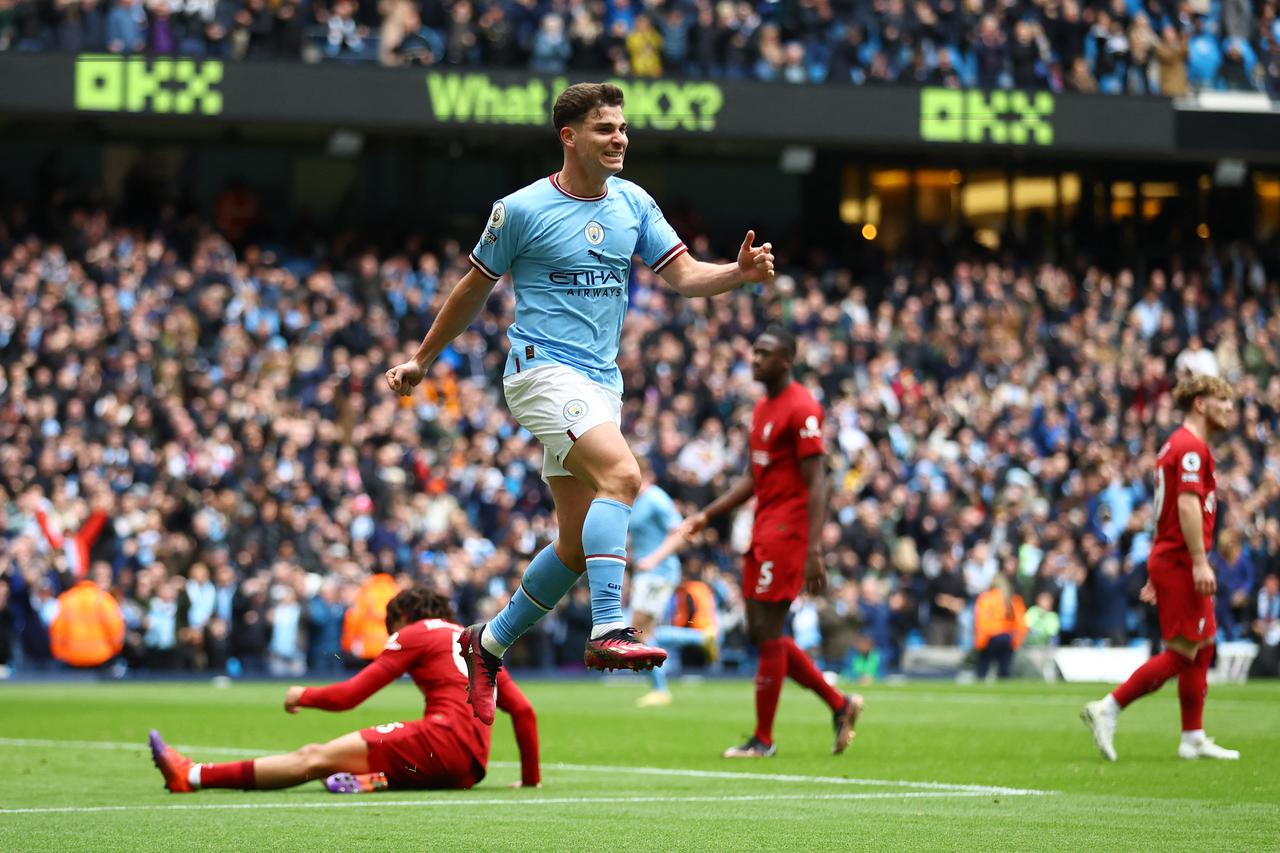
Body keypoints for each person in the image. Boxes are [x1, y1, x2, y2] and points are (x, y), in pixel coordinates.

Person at [384, 82, 776, 725]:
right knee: (623, 476)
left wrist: (738, 274)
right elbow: (471, 290)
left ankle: (487, 646)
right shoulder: (521, 210)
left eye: (622, 127)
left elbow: (682, 276)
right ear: (569, 136)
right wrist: (422, 360)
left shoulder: (634, 203)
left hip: (600, 384)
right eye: (604, 128)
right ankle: (609, 628)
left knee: (572, 547)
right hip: (541, 373)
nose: (619, 138)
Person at [149, 588, 540, 794]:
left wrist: (302, 695)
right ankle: (378, 779)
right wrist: (529, 779)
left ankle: (193, 775)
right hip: (468, 769)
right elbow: (523, 712)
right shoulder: (478, 640)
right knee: (362, 756)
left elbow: (349, 696)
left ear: (403, 617)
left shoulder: (415, 632)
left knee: (315, 757)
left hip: (441, 740)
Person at [680, 326, 862, 758]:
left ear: (787, 359)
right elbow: (752, 477)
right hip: (761, 528)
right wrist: (709, 515)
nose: (755, 359)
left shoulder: (802, 407)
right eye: (754, 351)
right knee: (764, 632)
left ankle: (763, 739)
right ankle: (840, 704)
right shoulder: (762, 407)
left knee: (767, 631)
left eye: (764, 353)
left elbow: (818, 483)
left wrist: (814, 548)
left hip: (788, 533)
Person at [1081, 375, 1240, 762]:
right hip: (1183, 559)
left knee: (1203, 645)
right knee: (1183, 650)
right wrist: (1198, 561)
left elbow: (1163, 512)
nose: (1230, 409)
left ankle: (1192, 736)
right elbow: (1185, 506)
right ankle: (1109, 706)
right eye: (1223, 401)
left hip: (1172, 557)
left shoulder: (1182, 445)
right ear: (1200, 404)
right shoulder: (1189, 447)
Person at [628, 453, 686, 706]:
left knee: (639, 628)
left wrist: (654, 558)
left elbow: (681, 532)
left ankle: (660, 688)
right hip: (646, 573)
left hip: (660, 572)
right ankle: (700, 638)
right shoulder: (638, 501)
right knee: (643, 630)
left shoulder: (656, 499)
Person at [49, 564, 125, 670]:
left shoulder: (66, 599)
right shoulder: (104, 600)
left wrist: (59, 653)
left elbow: (56, 630)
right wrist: (115, 650)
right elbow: (116, 628)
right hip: (101, 657)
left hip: (73, 657)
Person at [973, 576, 1027, 679]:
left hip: (990, 636)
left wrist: (979, 641)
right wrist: (1016, 640)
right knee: (1004, 668)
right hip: (1007, 637)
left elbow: (980, 620)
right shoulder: (1012, 599)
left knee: (983, 667)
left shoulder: (986, 598)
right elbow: (1021, 623)